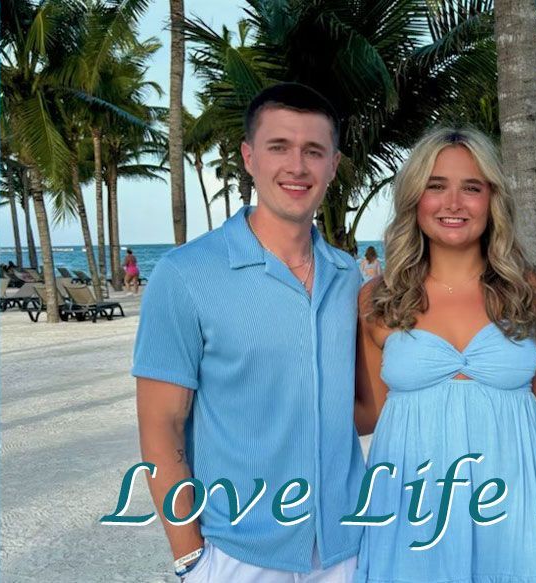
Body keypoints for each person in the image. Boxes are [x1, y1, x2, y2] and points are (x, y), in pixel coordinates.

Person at [131, 82, 363, 582]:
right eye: (279, 147)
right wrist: (190, 557)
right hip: (237, 557)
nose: (297, 166)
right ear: (249, 157)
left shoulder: (348, 278)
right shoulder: (184, 275)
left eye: (313, 151)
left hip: (349, 551)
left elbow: (359, 408)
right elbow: (160, 426)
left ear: (333, 165)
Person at [353, 127, 536, 583]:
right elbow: (367, 415)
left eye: (471, 188)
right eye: (436, 186)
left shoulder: (531, 293)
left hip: (511, 503)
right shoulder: (380, 298)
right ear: (415, 199)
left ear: (492, 199)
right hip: (410, 503)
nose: (453, 203)